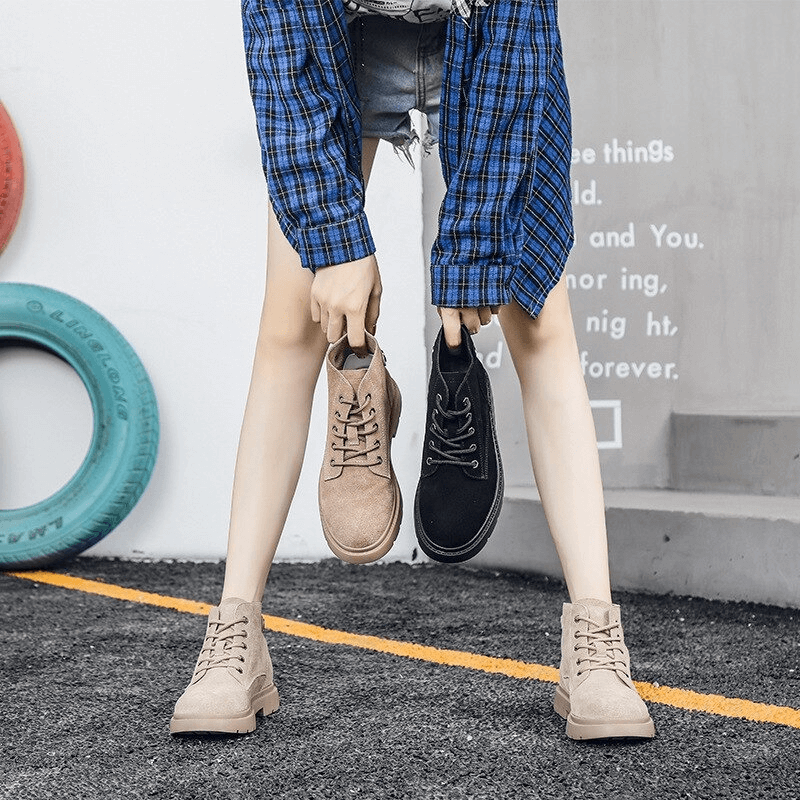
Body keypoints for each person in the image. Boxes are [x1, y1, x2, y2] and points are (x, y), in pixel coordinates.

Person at [170, 0, 655, 741]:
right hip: (343, 41)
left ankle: (595, 644)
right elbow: (282, 45)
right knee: (291, 325)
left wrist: (473, 248)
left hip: (489, 43)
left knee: (541, 324)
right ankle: (235, 639)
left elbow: (517, 41)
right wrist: (334, 243)